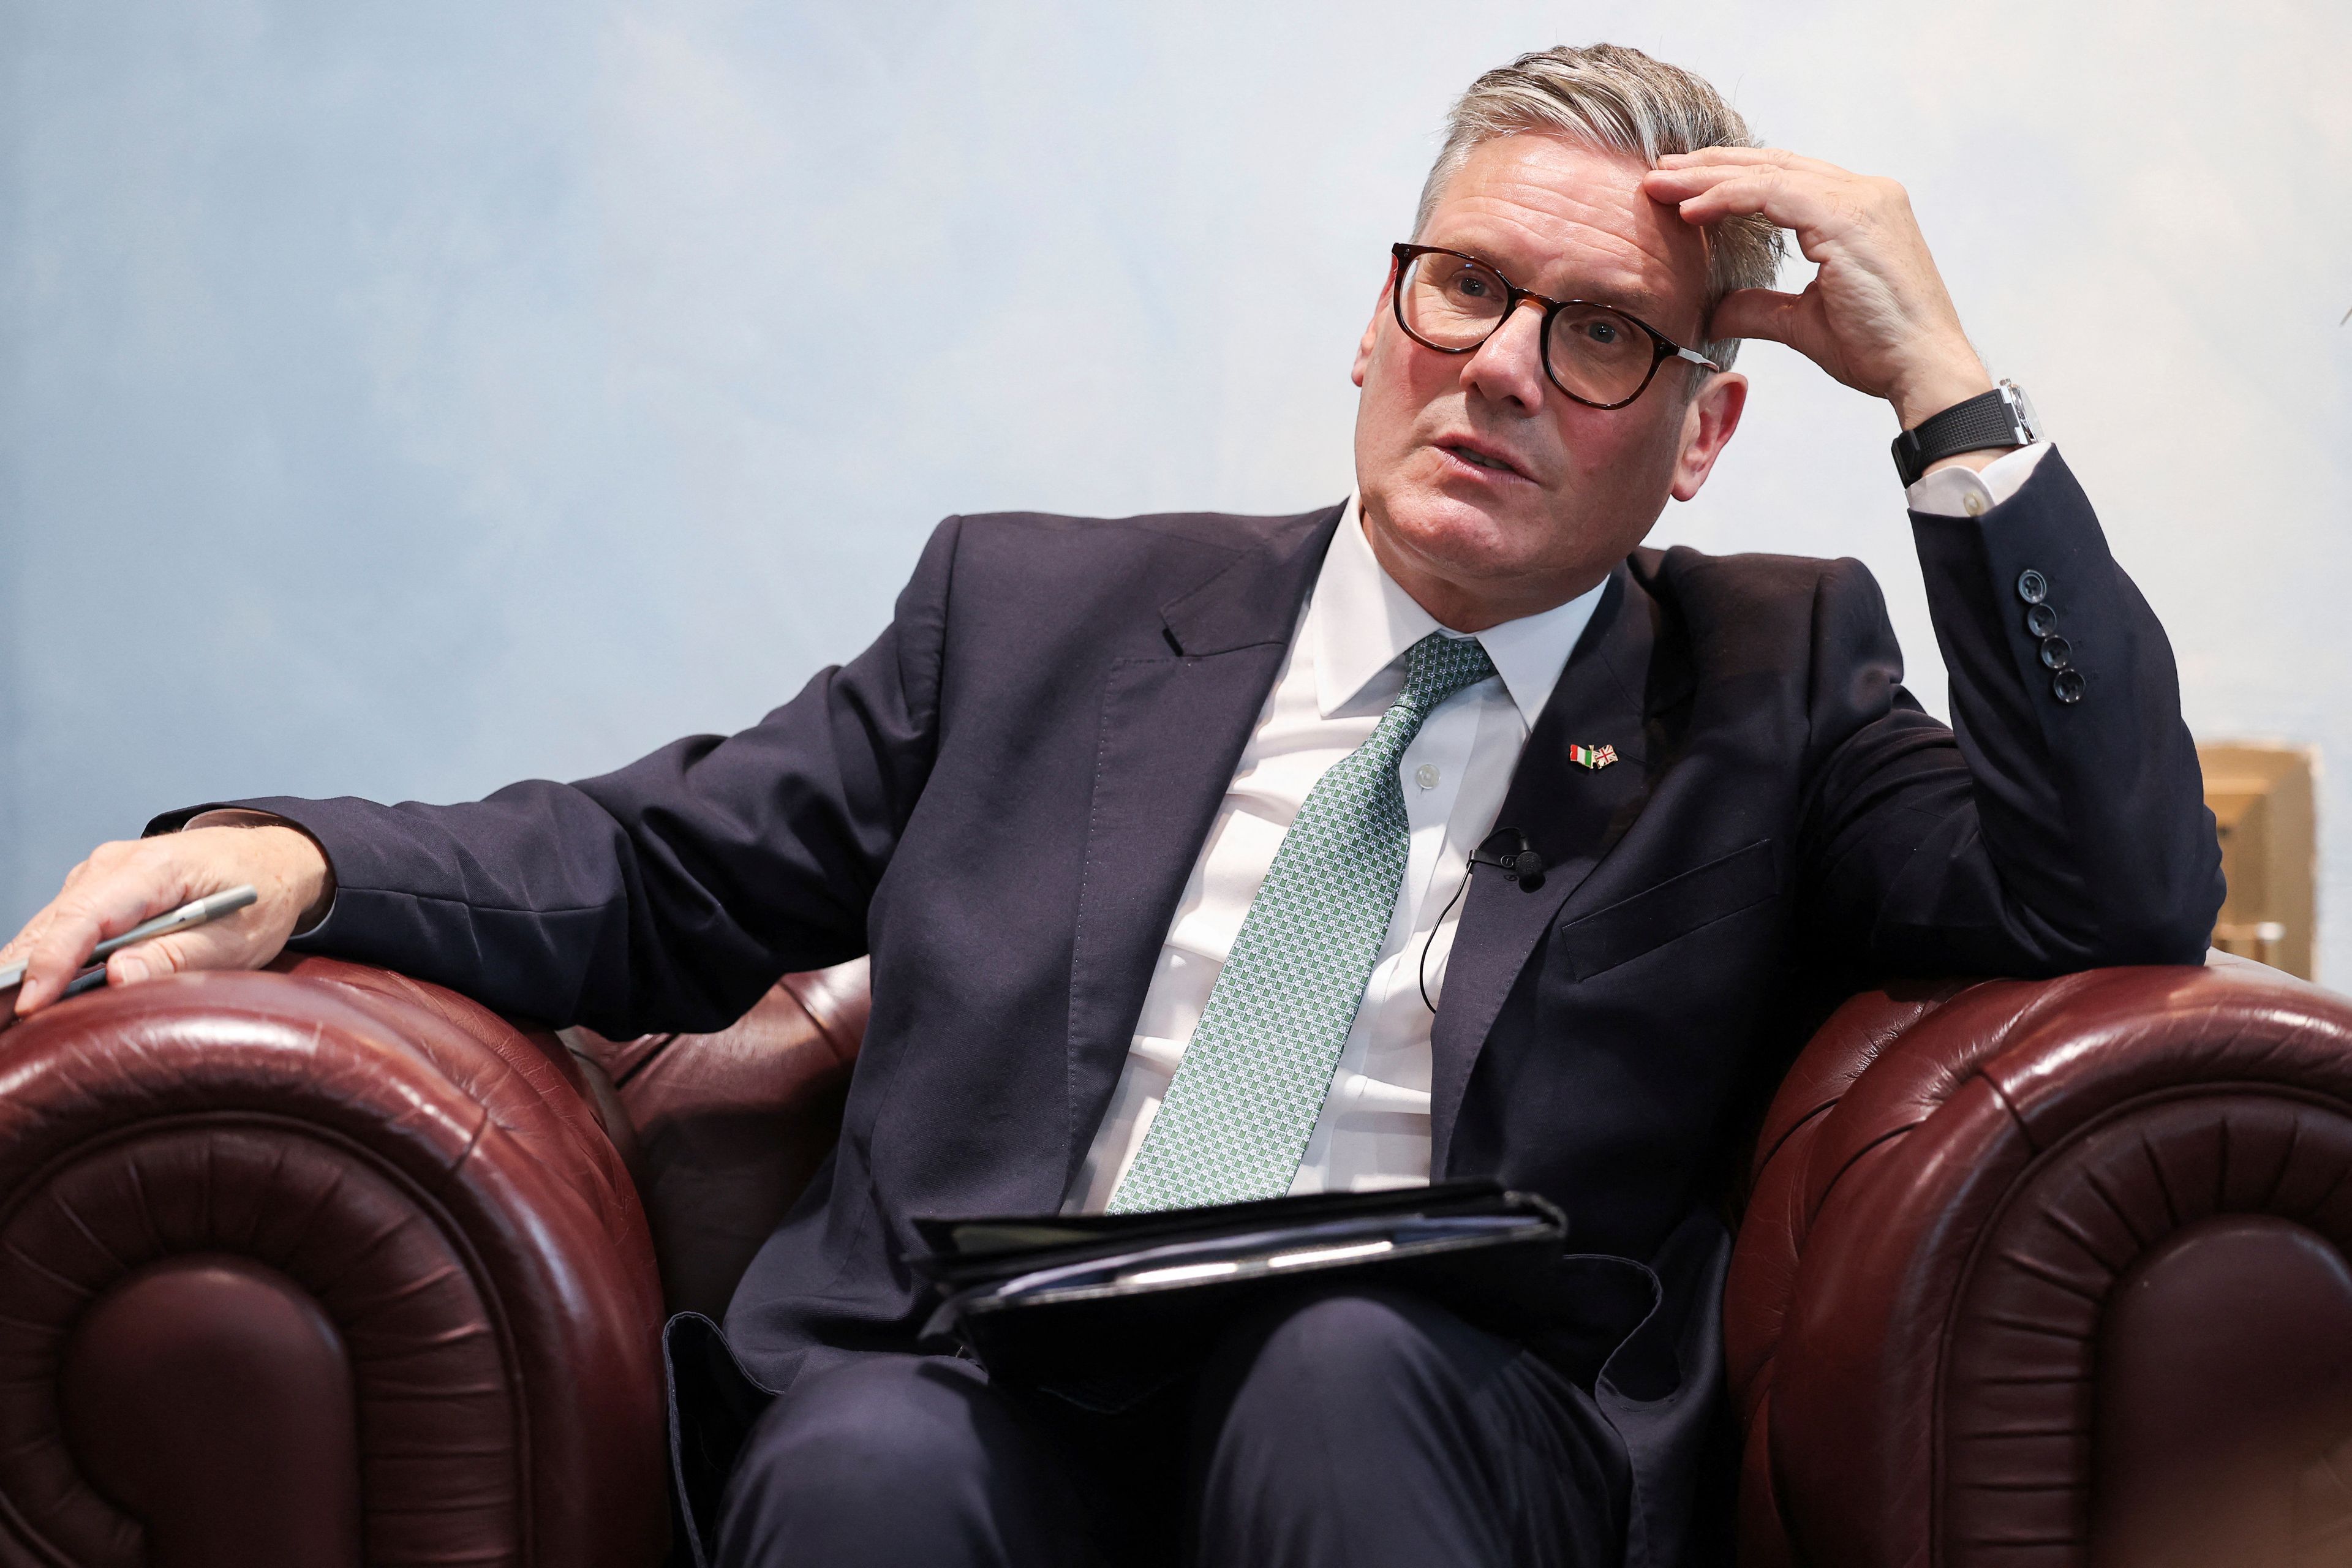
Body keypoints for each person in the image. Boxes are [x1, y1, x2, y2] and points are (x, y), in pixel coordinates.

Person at [1, 42, 2218, 1568]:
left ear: (1704, 437)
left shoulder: (1772, 669)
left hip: (1422, 1431)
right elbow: (662, 863)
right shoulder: (1046, 606)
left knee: (1334, 1366)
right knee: (863, 1456)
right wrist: (297, 854)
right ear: (1379, 316)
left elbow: (2112, 884)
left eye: (1604, 334)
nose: (1506, 367)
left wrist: (1948, 383)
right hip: (981, 1374)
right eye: (1464, 287)